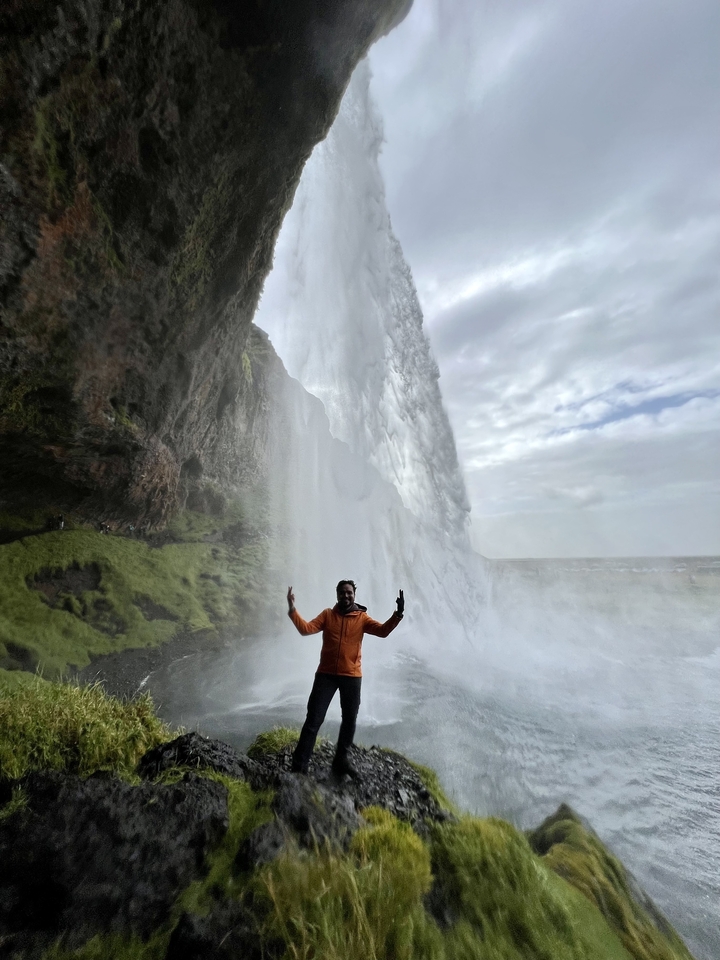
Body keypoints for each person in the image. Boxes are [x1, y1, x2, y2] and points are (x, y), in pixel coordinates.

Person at [287, 580, 404, 777]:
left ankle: (341, 761)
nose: (346, 596)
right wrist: (292, 609)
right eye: (342, 593)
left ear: (354, 594)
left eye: (349, 592)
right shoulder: (327, 615)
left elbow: (383, 631)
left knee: (349, 721)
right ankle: (299, 766)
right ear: (337, 595)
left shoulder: (362, 618)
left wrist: (398, 614)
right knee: (313, 719)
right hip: (326, 675)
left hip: (351, 676)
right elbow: (306, 629)